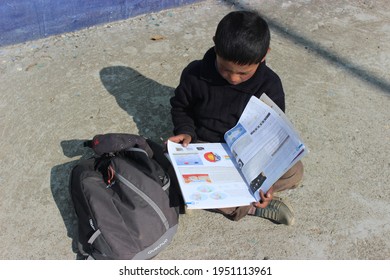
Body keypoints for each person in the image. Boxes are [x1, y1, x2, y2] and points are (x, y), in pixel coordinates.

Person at [168, 10, 303, 226]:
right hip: (206, 146)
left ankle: (212, 196)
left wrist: (267, 179)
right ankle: (249, 207)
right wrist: (185, 132)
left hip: (248, 154)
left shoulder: (270, 85)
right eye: (225, 69)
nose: (232, 78)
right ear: (215, 45)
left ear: (264, 55)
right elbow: (181, 107)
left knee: (295, 170)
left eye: (243, 73)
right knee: (173, 164)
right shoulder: (195, 74)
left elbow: (272, 133)